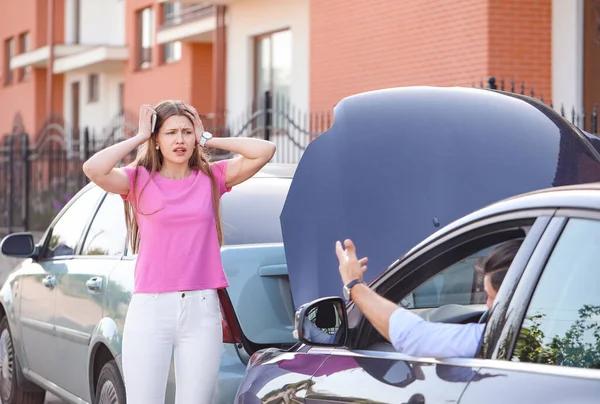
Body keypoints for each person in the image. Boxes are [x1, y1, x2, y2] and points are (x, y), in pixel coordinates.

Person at [82, 101, 276, 404]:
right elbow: (93, 168)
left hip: (201, 309)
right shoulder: (137, 181)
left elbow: (264, 150)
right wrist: (138, 137)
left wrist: (208, 138)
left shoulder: (212, 177)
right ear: (157, 140)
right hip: (151, 309)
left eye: (186, 132)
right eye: (170, 132)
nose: (180, 139)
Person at [335, 238, 522, 358]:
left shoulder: (502, 337)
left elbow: (414, 337)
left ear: (516, 299)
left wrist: (354, 286)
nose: (487, 306)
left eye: (490, 297)